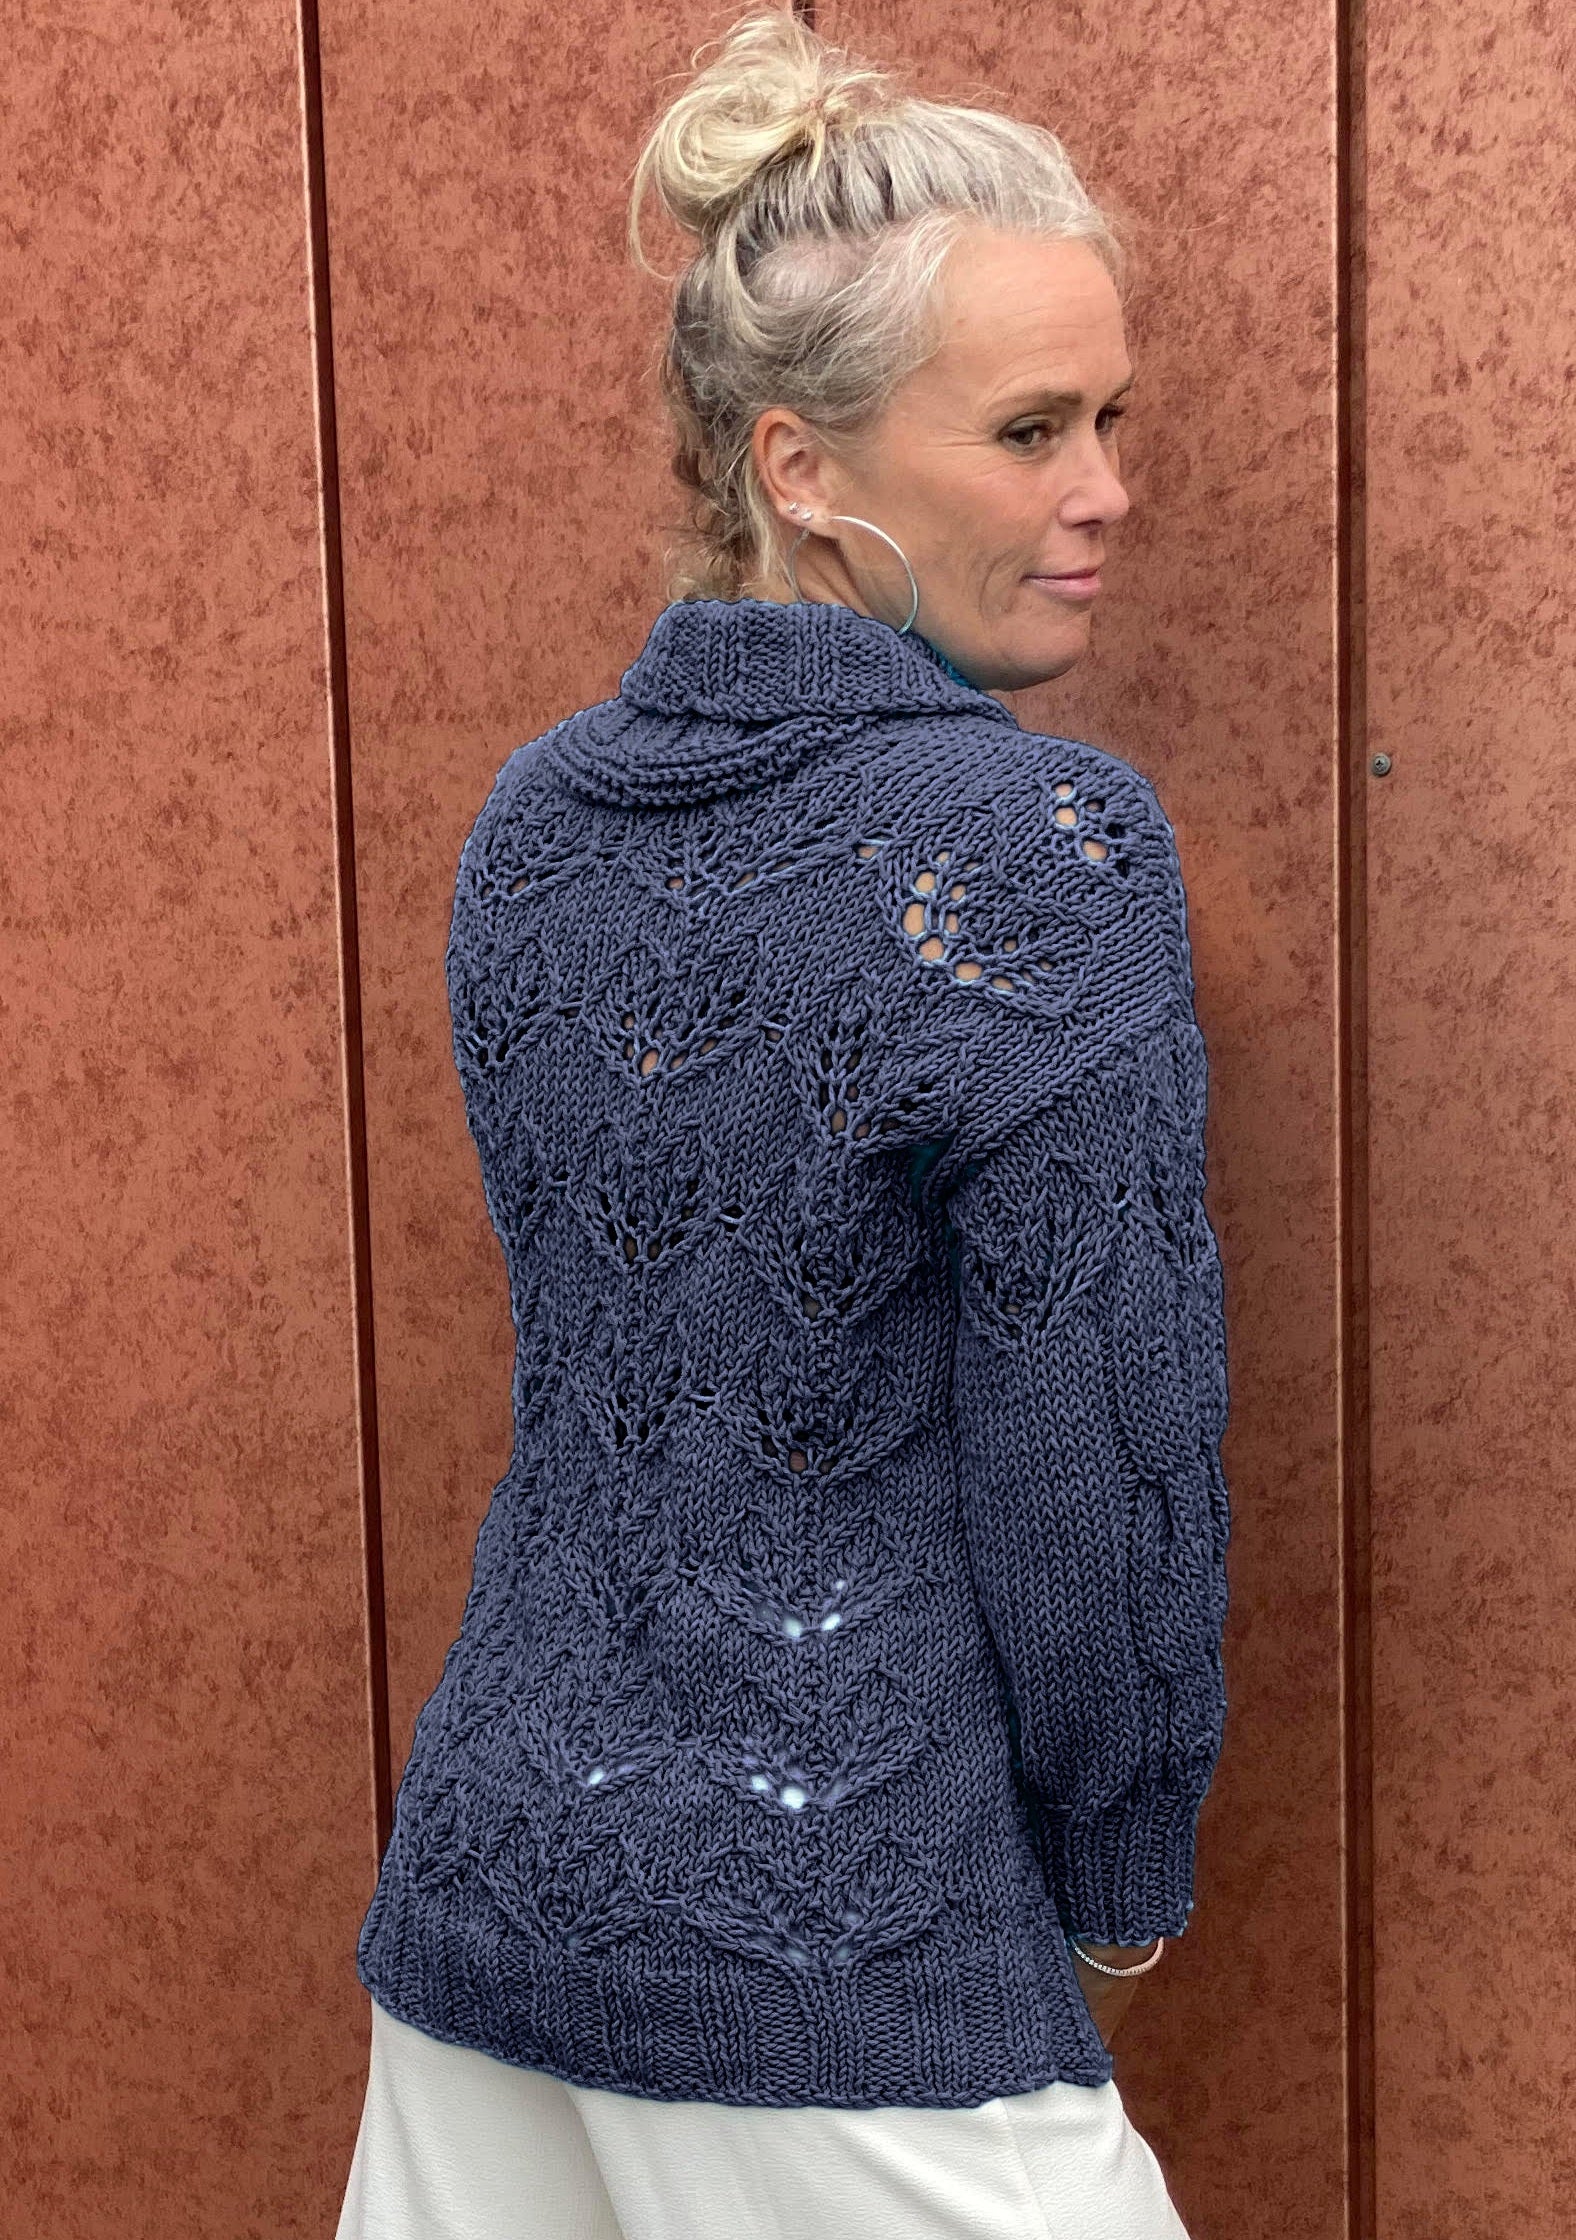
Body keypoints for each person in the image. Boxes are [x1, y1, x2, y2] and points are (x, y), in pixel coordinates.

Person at [335, 9, 1232, 2235]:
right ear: (798, 464)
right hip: (841, 1944)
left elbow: (643, 1376)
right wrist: (1121, 1868)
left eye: (1109, 417)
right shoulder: (1032, 848)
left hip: (487, 1895)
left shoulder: (534, 823)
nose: (1105, 487)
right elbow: (1091, 1458)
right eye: (1028, 429)